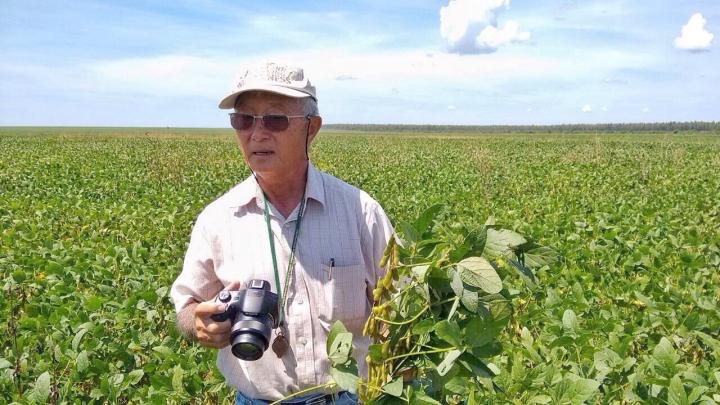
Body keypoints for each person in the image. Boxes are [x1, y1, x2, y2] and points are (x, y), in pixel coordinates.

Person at [170, 62, 394, 404]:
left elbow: (401, 306)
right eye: (243, 120)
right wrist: (198, 323)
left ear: (312, 128)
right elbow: (187, 304)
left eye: (275, 120)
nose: (257, 134)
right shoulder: (217, 219)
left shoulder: (361, 213)